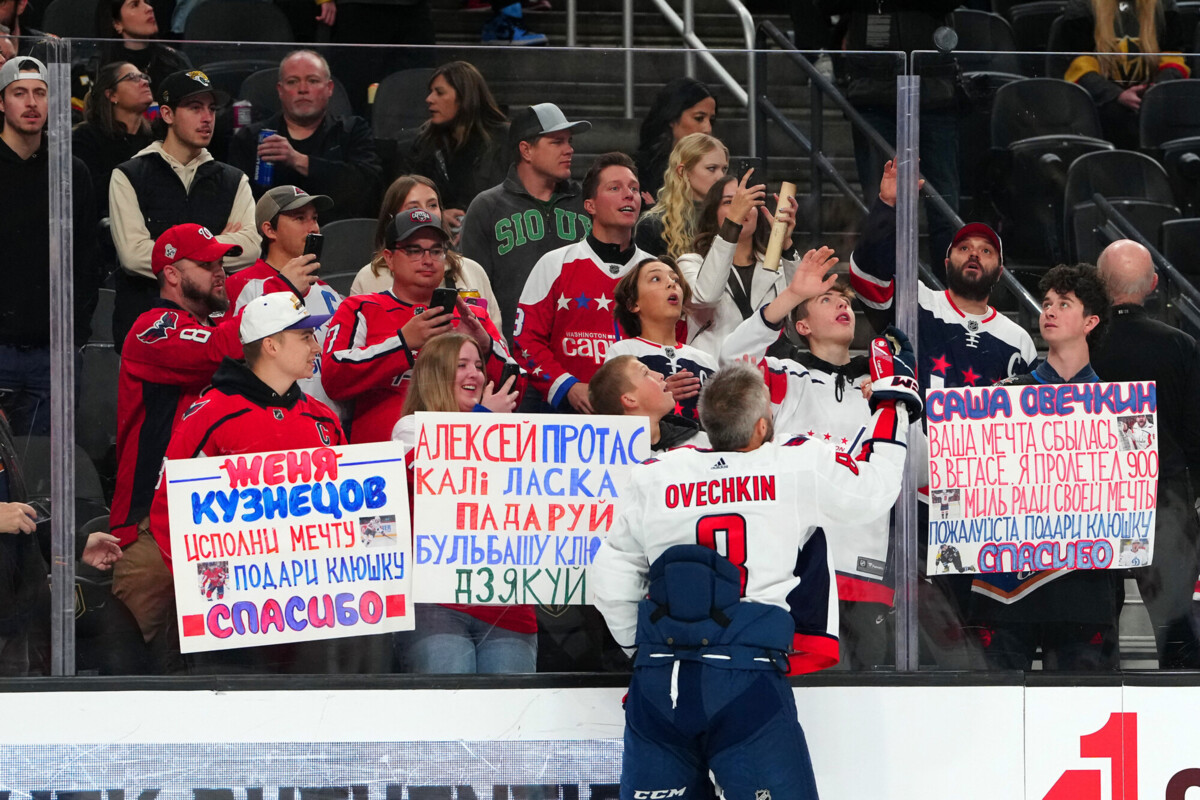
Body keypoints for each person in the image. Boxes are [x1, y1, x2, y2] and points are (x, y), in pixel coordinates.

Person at [590, 309, 920, 798]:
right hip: (746, 678)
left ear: (704, 418)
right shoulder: (793, 465)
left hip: (661, 677)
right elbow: (874, 491)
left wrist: (641, 653)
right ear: (764, 427)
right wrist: (894, 401)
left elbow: (610, 579)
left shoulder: (653, 474)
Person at [849, 158, 1037, 667]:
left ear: (999, 270)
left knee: (967, 615)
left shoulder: (1017, 338)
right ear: (947, 258)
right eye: (963, 248)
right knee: (910, 607)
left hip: (978, 499)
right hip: (913, 487)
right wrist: (888, 207)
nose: (974, 256)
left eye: (985, 251)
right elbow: (868, 278)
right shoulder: (918, 304)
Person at [721, 248, 905, 669]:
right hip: (797, 573)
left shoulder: (881, 389)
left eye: (845, 300)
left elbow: (911, 468)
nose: (843, 303)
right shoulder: (785, 377)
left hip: (867, 572)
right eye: (826, 299)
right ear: (801, 325)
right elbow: (732, 362)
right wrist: (789, 294)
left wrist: (901, 401)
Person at [970, 264, 1122, 671]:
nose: (1049, 311)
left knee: (1081, 714)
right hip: (1005, 586)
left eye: (1064, 304)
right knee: (994, 715)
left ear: (1090, 321)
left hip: (1084, 586)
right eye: (1048, 302)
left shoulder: (1119, 407)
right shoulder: (1004, 397)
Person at [109, 223, 245, 672]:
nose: (220, 272)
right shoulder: (153, 326)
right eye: (206, 265)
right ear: (171, 274)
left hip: (214, 527)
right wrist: (271, 300)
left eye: (222, 263)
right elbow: (213, 353)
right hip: (151, 526)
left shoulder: (220, 328)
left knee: (210, 667)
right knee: (137, 670)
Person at [147, 291, 345, 572]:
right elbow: (168, 510)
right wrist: (204, 584)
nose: (317, 347)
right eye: (306, 337)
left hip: (312, 596)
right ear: (271, 345)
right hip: (236, 603)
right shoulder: (210, 415)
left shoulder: (323, 418)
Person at [391, 332, 528, 674]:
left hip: (507, 603)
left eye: (479, 366)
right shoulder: (410, 428)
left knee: (514, 719)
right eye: (461, 365)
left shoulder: (515, 433)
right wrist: (483, 419)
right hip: (437, 602)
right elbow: (429, 472)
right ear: (435, 375)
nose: (475, 375)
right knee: (446, 718)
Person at [1092, 238, 1200, 668]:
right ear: (1153, 284)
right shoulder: (1181, 346)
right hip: (1165, 501)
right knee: (1177, 635)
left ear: (1098, 284)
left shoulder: (1082, 346)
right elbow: (1195, 434)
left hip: (1095, 498)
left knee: (1095, 632)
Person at [322, 208, 513, 443]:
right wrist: (402, 342)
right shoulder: (360, 308)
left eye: (436, 251)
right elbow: (334, 379)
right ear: (389, 258)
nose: (427, 260)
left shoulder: (471, 317)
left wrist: (485, 346)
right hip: (381, 464)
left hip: (462, 459)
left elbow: (514, 390)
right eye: (414, 250)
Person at [109, 69, 259, 353]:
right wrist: (216, 248)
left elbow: (250, 247)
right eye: (194, 107)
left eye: (211, 109)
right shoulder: (129, 175)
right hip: (146, 333)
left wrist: (170, 256)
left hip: (216, 331)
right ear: (166, 114)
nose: (207, 118)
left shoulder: (233, 179)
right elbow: (132, 255)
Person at [0, 56, 99, 436]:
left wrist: (75, 338)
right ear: (2, 102)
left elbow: (87, 259)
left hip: (52, 352)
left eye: (40, 93)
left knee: (46, 472)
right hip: (3, 347)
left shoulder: (70, 171)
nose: (31, 103)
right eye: (20, 93)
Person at [515, 152, 650, 412]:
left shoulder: (655, 271)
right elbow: (525, 341)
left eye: (634, 188)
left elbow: (675, 340)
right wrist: (566, 386)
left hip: (639, 416)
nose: (629, 195)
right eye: (615, 188)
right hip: (563, 416)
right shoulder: (554, 264)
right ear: (590, 206)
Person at [459, 102, 591, 344]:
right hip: (512, 349)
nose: (569, 149)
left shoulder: (588, 203)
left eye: (569, 141)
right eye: (557, 141)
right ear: (526, 150)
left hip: (580, 347)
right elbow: (473, 289)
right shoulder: (487, 207)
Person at [225, 185, 347, 421]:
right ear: (270, 229)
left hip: (328, 425)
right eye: (300, 218)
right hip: (267, 421)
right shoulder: (242, 285)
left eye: (314, 218)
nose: (313, 228)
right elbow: (232, 354)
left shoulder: (331, 294)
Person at [228, 50, 382, 221]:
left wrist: (298, 160)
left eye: (313, 81)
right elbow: (240, 206)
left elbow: (367, 188)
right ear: (280, 90)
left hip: (338, 237)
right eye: (293, 82)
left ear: (329, 88)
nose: (303, 89)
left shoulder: (353, 130)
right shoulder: (251, 138)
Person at [350, 175, 501, 332]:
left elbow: (498, 342)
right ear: (392, 218)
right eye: (413, 208)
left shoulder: (472, 270)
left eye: (432, 205)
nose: (425, 213)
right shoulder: (369, 278)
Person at [677, 170, 800, 360]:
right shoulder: (691, 263)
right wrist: (732, 224)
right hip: (713, 375)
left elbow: (801, 316)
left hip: (766, 376)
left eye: (747, 201)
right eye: (729, 202)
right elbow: (706, 297)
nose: (741, 207)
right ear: (712, 213)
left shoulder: (778, 266)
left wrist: (786, 246)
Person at [1059, 0, 1189, 150]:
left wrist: (1155, 91)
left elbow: (1174, 58)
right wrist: (1116, 95)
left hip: (1153, 101)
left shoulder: (1164, 5)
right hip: (1102, 108)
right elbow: (1079, 65)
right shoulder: (1082, 7)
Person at [401, 61, 508, 229]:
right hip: (435, 237)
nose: (429, 99)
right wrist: (435, 216)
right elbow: (402, 203)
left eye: (439, 93)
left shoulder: (505, 140)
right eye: (430, 92)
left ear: (464, 97)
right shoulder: (423, 145)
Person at [608, 257, 715, 420]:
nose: (672, 284)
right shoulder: (623, 353)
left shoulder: (706, 360)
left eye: (675, 280)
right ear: (632, 304)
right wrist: (658, 394)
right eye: (656, 278)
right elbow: (614, 413)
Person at [72, 62, 155, 220]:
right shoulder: (86, 137)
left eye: (144, 77)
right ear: (111, 95)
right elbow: (89, 195)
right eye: (132, 78)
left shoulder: (155, 138)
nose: (145, 82)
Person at [633, 132, 728, 260]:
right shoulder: (653, 225)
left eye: (724, 169)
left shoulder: (730, 218)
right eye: (711, 168)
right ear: (683, 171)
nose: (721, 177)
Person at [589, 354, 708, 452]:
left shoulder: (703, 444)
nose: (661, 376)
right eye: (646, 373)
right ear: (629, 400)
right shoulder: (608, 461)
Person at [633, 78, 717, 205]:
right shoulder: (640, 170)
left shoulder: (717, 167)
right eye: (699, 118)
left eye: (711, 120)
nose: (708, 129)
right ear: (672, 118)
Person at [91, 0, 190, 95]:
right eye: (135, 4)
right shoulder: (100, 66)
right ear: (117, 23)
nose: (149, 8)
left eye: (146, 2)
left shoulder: (174, 61)